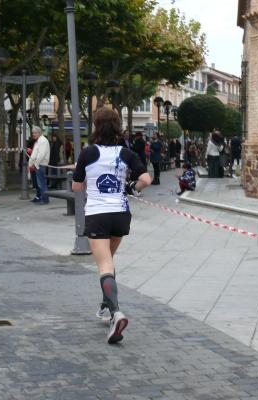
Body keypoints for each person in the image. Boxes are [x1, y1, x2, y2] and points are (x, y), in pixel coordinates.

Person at [72, 107, 152, 344]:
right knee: (108, 262)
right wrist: (130, 188)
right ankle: (107, 306)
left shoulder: (88, 153)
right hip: (120, 214)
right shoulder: (126, 153)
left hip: (97, 214)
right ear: (117, 126)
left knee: (104, 264)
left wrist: (88, 177)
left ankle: (116, 312)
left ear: (96, 126)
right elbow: (145, 179)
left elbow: (77, 187)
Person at [28, 126, 50, 204]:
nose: (33, 134)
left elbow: (41, 155)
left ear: (39, 133)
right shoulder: (39, 141)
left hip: (40, 165)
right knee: (40, 183)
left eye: (35, 133)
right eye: (33, 133)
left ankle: (44, 199)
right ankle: (42, 198)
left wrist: (35, 164)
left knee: (41, 183)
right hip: (39, 164)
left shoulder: (42, 141)